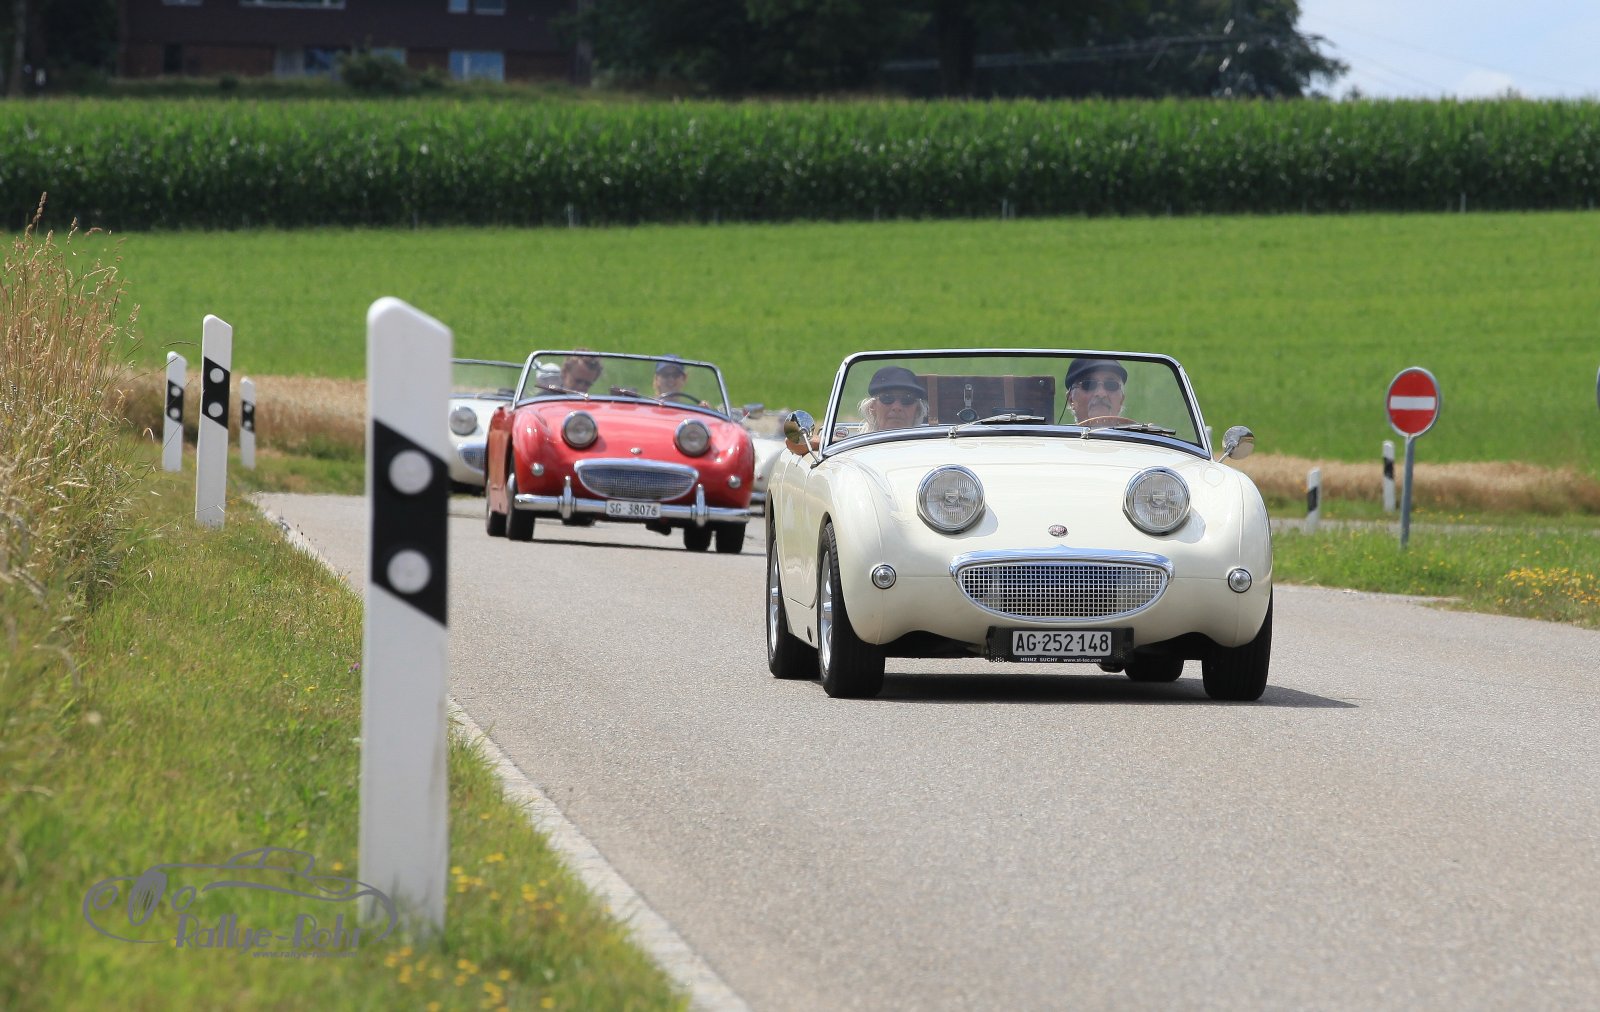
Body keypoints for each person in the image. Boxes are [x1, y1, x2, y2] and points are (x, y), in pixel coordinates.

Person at [858, 365, 928, 431]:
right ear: (872, 407)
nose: (897, 407)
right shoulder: (858, 440)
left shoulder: (930, 440)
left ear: (917, 410)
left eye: (907, 399)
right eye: (887, 397)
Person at [1064, 358, 1127, 425]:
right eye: (1088, 384)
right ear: (1071, 399)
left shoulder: (1133, 431)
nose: (1101, 394)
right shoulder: (1057, 432)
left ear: (1121, 401)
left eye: (1111, 385)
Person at [536, 349, 604, 395]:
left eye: (587, 384)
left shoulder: (592, 405)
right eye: (577, 381)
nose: (581, 388)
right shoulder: (544, 401)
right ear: (564, 373)